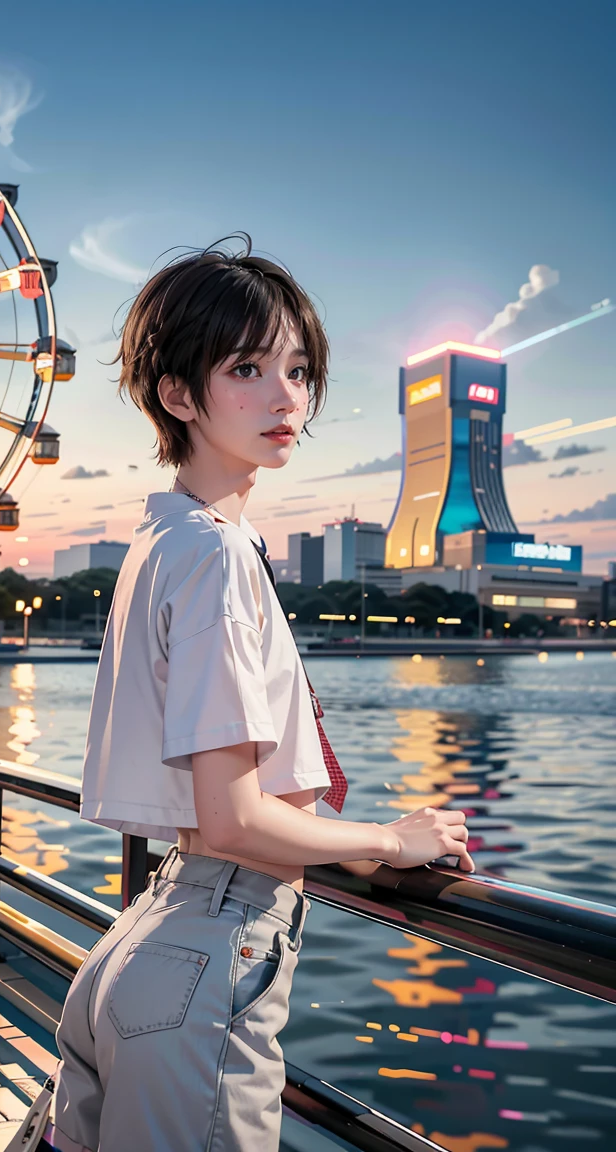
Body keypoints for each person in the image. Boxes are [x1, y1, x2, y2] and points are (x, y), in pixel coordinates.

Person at [45, 234, 474, 1152]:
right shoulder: (215, 557)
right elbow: (235, 820)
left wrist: (344, 850)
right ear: (177, 394)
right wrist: (391, 839)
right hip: (214, 956)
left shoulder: (159, 543)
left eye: (299, 369)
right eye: (247, 367)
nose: (288, 398)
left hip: (145, 942)